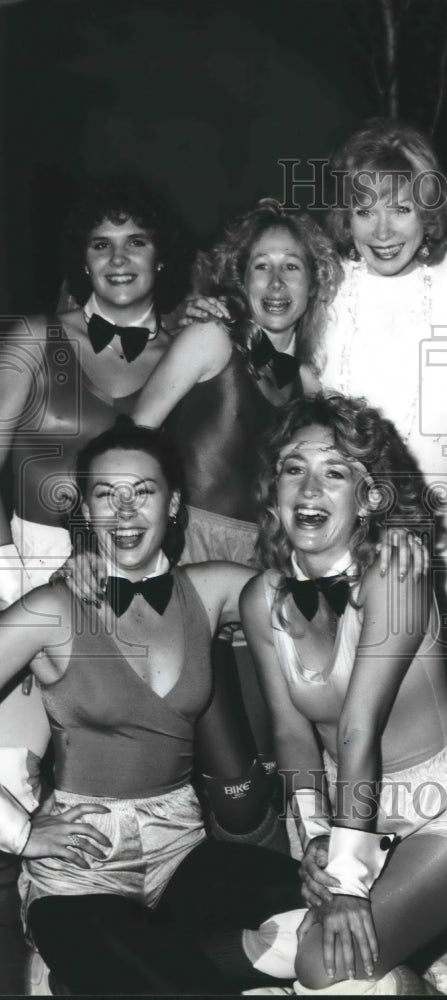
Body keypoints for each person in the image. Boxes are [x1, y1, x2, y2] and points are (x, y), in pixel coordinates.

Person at [0, 418, 305, 994]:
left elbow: (315, 602)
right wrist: (19, 833)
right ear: (86, 513)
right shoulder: (53, 609)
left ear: (174, 505)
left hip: (182, 849)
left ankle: (103, 975)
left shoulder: (211, 589)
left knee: (325, 909)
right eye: (105, 495)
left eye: (142, 491)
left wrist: (385, 554)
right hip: (80, 869)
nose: (124, 510)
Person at [240, 393, 447, 995]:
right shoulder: (261, 600)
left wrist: (347, 883)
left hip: (442, 814)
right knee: (285, 957)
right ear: (273, 487)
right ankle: (416, 960)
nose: (309, 489)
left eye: (335, 473)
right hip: (349, 813)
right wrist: (314, 841)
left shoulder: (395, 572)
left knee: (317, 969)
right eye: (293, 468)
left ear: (370, 497)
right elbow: (289, 734)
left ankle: (412, 949)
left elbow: (358, 728)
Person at [0, 178, 180, 992]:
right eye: (101, 243)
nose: (117, 259)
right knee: (17, 774)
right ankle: (48, 935)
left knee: (105, 772)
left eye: (135, 239)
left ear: (161, 254)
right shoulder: (36, 338)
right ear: (81, 255)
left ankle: (103, 940)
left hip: (130, 578)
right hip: (29, 569)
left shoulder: (193, 344)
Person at [131, 198, 343, 840]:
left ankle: (289, 903)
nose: (276, 285)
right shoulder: (211, 339)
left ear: (314, 282)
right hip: (188, 562)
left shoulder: (309, 380)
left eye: (292, 269)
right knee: (220, 777)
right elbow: (132, 442)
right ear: (238, 277)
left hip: (267, 572)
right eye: (260, 267)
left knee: (276, 752)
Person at [314, 118, 447, 614]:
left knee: (425, 688)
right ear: (346, 218)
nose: (382, 231)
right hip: (333, 525)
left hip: (431, 531)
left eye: (401, 209)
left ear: (428, 213)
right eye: (364, 211)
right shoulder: (327, 284)